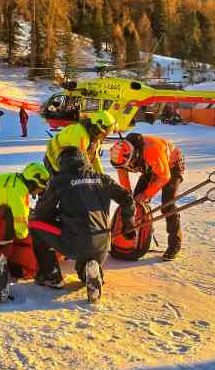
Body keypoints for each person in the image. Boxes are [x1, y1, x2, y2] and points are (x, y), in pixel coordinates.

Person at [29, 147, 135, 303]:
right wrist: (127, 222)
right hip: (103, 243)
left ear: (61, 163)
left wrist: (58, 215)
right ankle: (89, 272)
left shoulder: (60, 181)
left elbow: (41, 212)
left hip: (75, 241)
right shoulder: (102, 178)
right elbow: (127, 197)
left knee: (35, 224)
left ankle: (49, 275)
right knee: (84, 262)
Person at [109, 133, 185, 261]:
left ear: (135, 155)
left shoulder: (152, 149)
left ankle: (175, 244)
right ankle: (141, 238)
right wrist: (129, 200)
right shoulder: (120, 157)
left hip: (171, 167)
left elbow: (164, 177)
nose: (127, 168)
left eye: (129, 165)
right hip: (150, 168)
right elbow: (124, 181)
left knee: (167, 205)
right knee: (135, 205)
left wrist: (146, 194)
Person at [43, 110, 116, 175]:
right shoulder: (81, 135)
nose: (106, 136)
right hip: (53, 162)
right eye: (106, 133)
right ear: (98, 129)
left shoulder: (95, 139)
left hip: (67, 162)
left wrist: (102, 178)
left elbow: (95, 160)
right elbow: (80, 161)